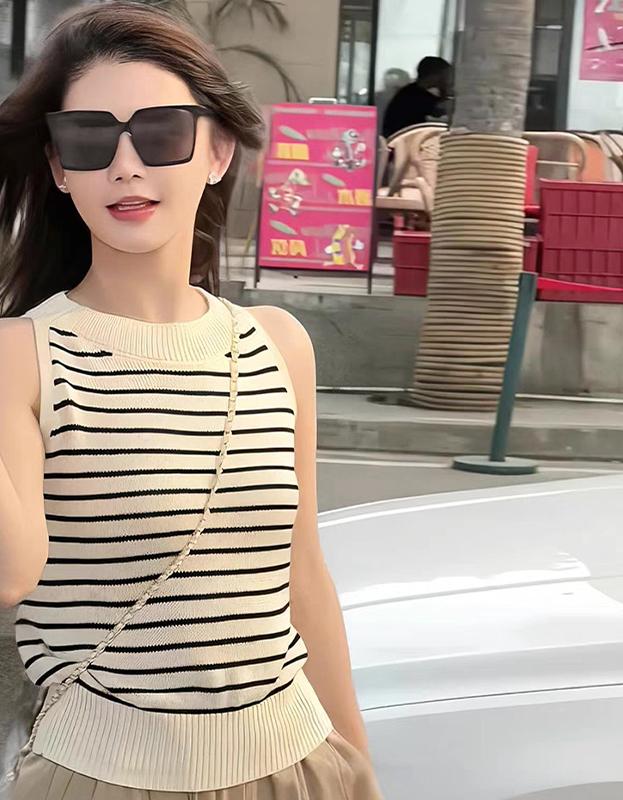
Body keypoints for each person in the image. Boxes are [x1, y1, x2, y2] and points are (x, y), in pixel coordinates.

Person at [0, 3, 385, 798]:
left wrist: (357, 764)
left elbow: (302, 573)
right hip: (101, 778)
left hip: (296, 766)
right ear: (59, 167)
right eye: (89, 139)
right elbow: (12, 572)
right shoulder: (23, 353)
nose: (125, 165)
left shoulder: (278, 343)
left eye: (161, 132)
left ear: (217, 151)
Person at [382, 56, 451, 139]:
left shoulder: (411, 91)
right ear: (435, 76)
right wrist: (444, 89)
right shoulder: (414, 97)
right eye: (445, 75)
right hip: (403, 141)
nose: (447, 79)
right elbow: (440, 111)